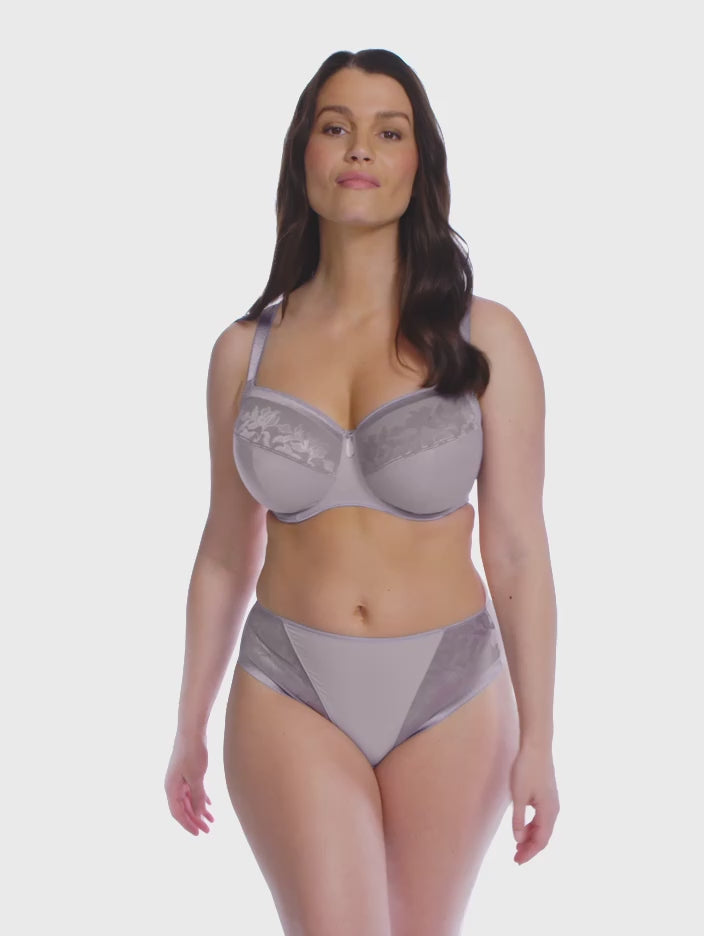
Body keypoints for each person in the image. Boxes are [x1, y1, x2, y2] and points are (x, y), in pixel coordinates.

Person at [165, 48, 559, 936]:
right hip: (288, 687)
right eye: (336, 127)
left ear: (420, 166)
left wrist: (539, 737)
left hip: (451, 691)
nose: (360, 149)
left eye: (390, 132)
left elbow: (518, 550)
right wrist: (188, 723)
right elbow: (226, 552)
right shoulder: (244, 352)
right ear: (303, 155)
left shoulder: (487, 339)